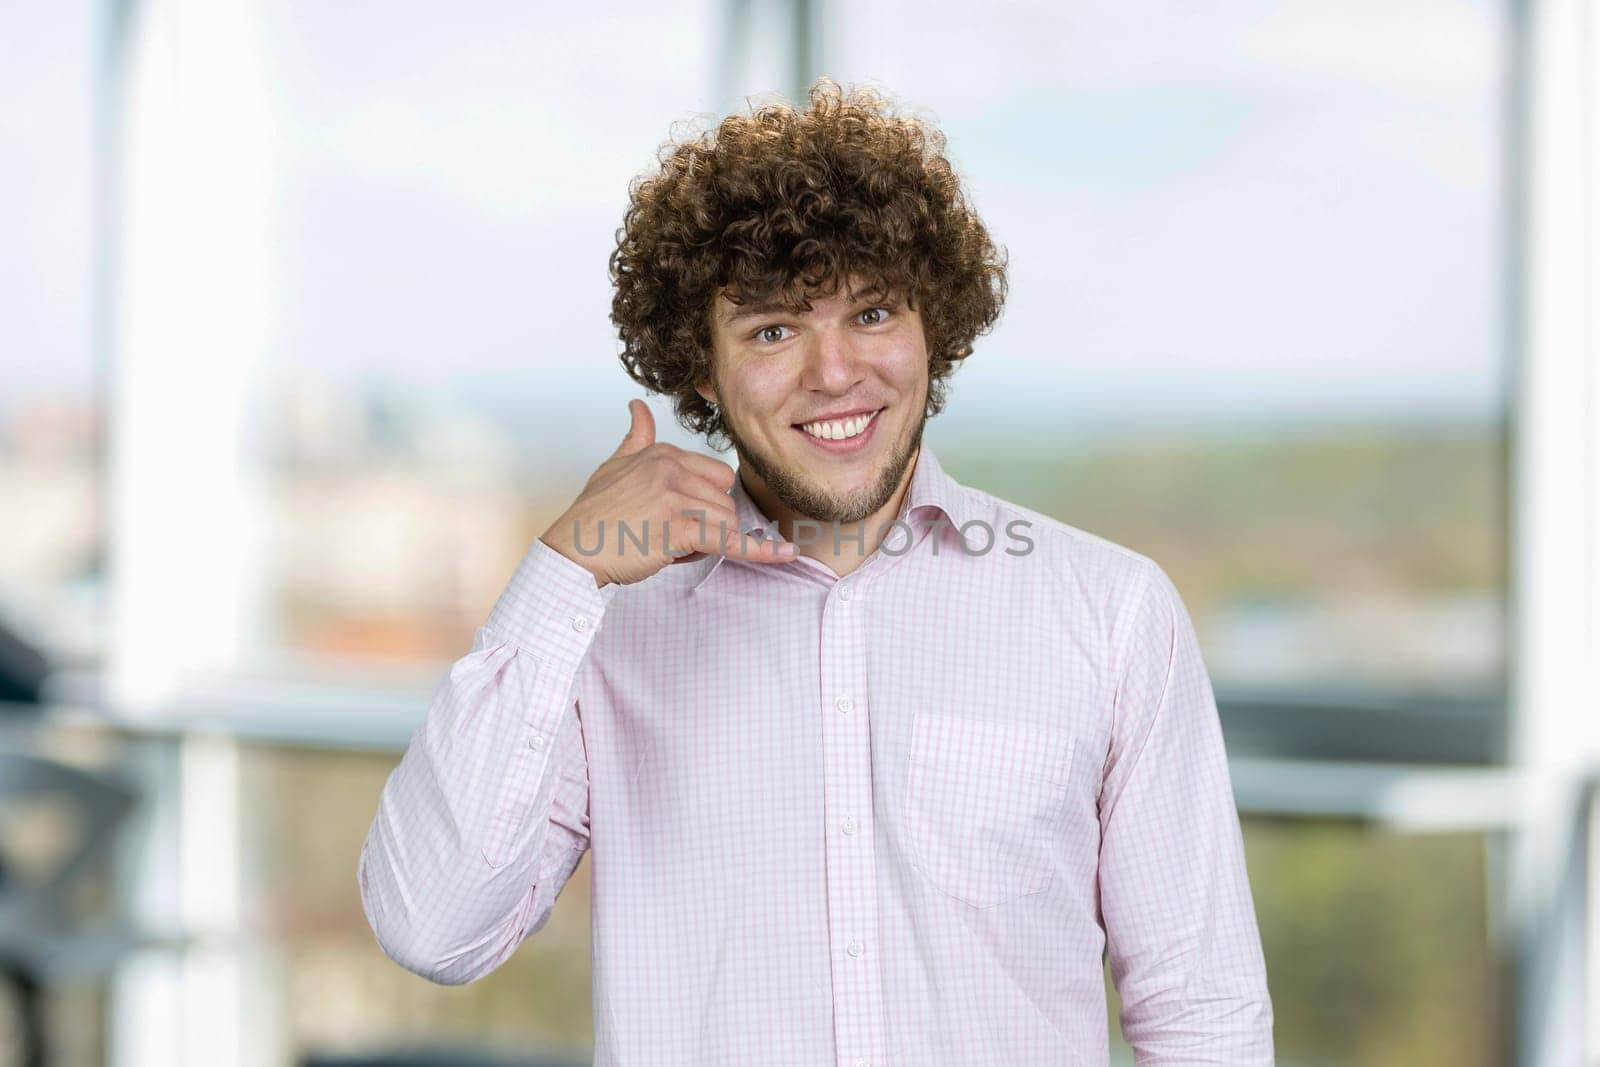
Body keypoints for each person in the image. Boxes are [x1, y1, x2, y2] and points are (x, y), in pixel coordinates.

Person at [358, 78, 1274, 1066]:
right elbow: (432, 926)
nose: (834, 373)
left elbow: (1202, 1015)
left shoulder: (1108, 613)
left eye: (872, 312)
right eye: (772, 329)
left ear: (936, 328)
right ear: (699, 368)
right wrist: (559, 575)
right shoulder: (605, 631)